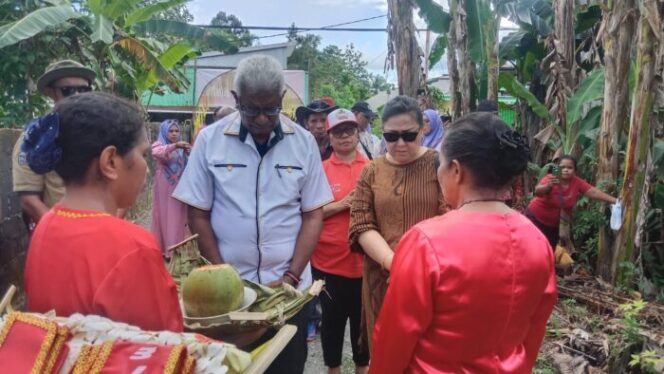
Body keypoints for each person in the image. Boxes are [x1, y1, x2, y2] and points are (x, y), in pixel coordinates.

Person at [173, 55, 333, 374]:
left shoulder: (303, 143)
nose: (262, 119)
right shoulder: (210, 141)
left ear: (282, 100)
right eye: (252, 109)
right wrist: (224, 276)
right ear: (236, 100)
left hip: (288, 294)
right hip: (229, 300)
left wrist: (290, 277)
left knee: (287, 366)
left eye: (271, 109)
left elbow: (313, 214)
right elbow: (198, 212)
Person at [370, 112, 557, 373]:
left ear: (456, 170)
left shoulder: (426, 241)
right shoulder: (537, 240)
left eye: (441, 165)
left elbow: (395, 336)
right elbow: (535, 330)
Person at [23, 92, 183, 332]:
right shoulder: (133, 247)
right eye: (142, 154)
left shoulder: (45, 225)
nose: (146, 169)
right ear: (110, 162)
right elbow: (165, 344)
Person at [349, 95, 446, 354]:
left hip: (430, 278)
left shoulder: (439, 165)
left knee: (426, 352)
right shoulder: (372, 170)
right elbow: (361, 222)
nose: (400, 143)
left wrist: (413, 269)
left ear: (423, 129)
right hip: (381, 278)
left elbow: (450, 218)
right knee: (386, 352)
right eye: (391, 137)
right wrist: (394, 263)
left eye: (409, 135)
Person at [312, 109, 369, 374]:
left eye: (350, 130)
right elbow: (310, 213)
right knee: (332, 323)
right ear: (330, 137)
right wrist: (342, 205)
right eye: (338, 132)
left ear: (358, 134)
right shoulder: (319, 170)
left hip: (364, 263)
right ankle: (332, 369)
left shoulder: (372, 168)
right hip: (328, 263)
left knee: (362, 324)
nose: (345, 136)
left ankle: (361, 367)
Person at [12, 60, 95, 227]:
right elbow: (30, 201)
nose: (77, 96)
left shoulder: (103, 130)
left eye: (84, 90)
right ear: (51, 93)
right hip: (60, 232)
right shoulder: (35, 138)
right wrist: (64, 232)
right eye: (68, 91)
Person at [526, 155, 617, 248]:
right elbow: (537, 192)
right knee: (530, 247)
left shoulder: (577, 182)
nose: (566, 170)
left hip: (553, 226)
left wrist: (615, 201)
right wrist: (548, 186)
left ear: (575, 171)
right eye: (562, 167)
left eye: (570, 168)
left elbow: (593, 192)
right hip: (534, 219)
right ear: (557, 168)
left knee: (547, 251)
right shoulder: (551, 178)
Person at [151, 119, 191, 258]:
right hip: (164, 185)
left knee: (179, 216)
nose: (174, 134)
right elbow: (156, 153)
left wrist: (188, 152)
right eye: (171, 131)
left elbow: (189, 165)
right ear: (164, 132)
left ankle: (177, 249)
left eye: (176, 131)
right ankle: (165, 250)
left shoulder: (182, 148)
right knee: (164, 214)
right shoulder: (159, 145)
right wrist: (174, 146)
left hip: (179, 186)